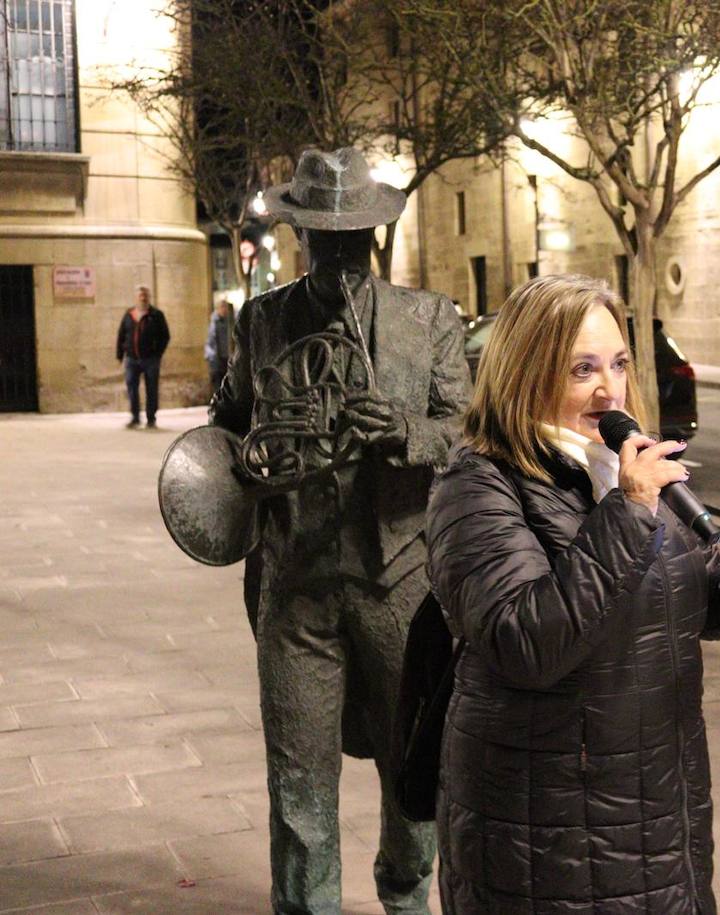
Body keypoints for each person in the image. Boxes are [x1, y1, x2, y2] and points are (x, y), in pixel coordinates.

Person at [426, 274, 720, 913]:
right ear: (527, 373)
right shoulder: (479, 486)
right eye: (583, 369)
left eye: (620, 363)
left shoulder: (617, 470)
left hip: (659, 799)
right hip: (549, 824)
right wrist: (630, 509)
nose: (611, 388)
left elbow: (677, 601)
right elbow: (525, 641)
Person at [210, 147, 471, 915]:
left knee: (412, 764)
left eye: (349, 238)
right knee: (297, 779)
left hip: (400, 581)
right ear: (302, 238)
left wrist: (409, 433)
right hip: (294, 587)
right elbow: (227, 431)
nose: (337, 255)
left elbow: (469, 433)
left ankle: (405, 890)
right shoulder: (263, 319)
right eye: (323, 239)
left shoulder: (429, 320)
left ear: (372, 237)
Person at [115, 284, 170, 429]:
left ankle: (151, 418)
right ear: (136, 298)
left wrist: (157, 353)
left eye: (145, 296)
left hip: (150, 359)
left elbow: (165, 336)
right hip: (132, 359)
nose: (143, 298)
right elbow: (121, 335)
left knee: (152, 389)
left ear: (148, 298)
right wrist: (120, 355)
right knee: (132, 388)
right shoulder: (129, 315)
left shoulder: (156, 315)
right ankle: (135, 417)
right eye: (140, 296)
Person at [204, 299, 232, 395]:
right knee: (217, 381)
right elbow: (210, 340)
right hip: (216, 357)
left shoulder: (230, 322)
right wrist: (210, 355)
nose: (224, 310)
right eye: (222, 307)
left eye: (225, 308)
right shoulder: (214, 322)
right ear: (218, 309)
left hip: (227, 356)